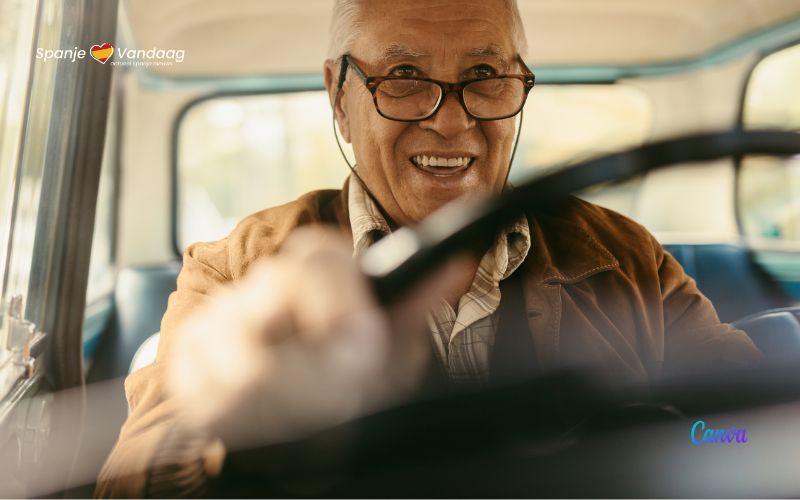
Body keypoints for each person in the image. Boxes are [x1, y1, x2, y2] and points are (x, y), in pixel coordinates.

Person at [96, 0, 762, 496]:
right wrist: (234, 436)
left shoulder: (625, 253)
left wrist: (674, 432)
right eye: (405, 74)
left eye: (483, 73)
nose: (452, 118)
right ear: (339, 96)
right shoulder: (235, 270)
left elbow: (745, 430)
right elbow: (131, 481)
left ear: (519, 85)